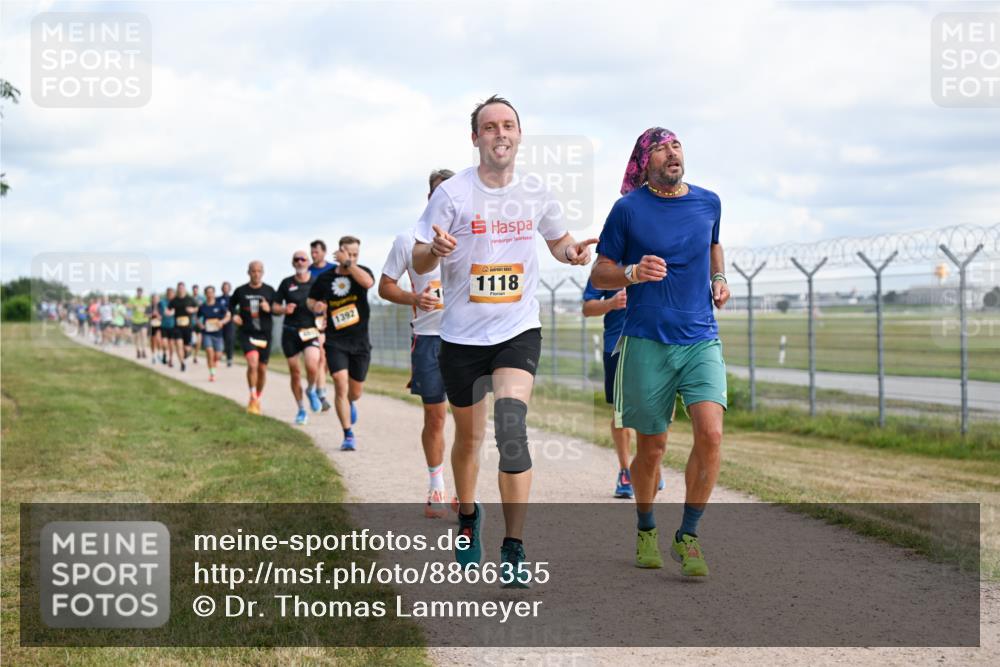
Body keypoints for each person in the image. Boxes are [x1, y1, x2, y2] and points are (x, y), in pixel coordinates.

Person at [412, 95, 596, 585]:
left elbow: (558, 242)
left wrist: (572, 252)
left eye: (508, 125)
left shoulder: (536, 190)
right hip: (460, 337)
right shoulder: (451, 194)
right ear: (475, 138)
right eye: (489, 126)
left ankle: (514, 547)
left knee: (512, 431)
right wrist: (434, 248)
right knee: (469, 439)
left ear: (519, 135)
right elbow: (420, 259)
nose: (499, 133)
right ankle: (469, 516)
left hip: (517, 330)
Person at [591, 126, 731, 577]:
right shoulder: (628, 210)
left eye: (676, 145)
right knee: (653, 448)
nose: (672, 152)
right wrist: (632, 271)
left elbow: (713, 244)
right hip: (645, 340)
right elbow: (601, 271)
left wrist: (719, 280)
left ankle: (688, 535)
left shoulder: (708, 201)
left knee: (710, 435)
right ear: (644, 162)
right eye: (661, 148)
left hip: (700, 338)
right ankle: (647, 526)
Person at [379, 168, 454, 518]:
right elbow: (385, 286)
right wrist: (414, 297)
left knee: (471, 421)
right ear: (429, 199)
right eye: (440, 194)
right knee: (436, 416)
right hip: (429, 337)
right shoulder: (407, 239)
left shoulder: (474, 234)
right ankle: (436, 487)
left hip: (470, 337)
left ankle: (464, 490)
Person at [582, 279, 667, 498]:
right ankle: (625, 471)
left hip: (655, 342)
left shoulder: (656, 258)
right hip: (617, 346)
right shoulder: (609, 264)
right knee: (621, 412)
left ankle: (650, 463)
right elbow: (587, 308)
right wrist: (611, 303)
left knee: (654, 408)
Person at [308, 236, 374, 450]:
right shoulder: (325, 279)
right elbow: (311, 300)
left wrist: (350, 264)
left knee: (354, 392)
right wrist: (317, 306)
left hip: (360, 341)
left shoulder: (361, 272)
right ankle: (348, 434)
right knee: (339, 382)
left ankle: (351, 402)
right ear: (339, 252)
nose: (352, 257)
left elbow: (368, 283)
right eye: (348, 253)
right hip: (336, 340)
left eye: (356, 254)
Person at [276, 251, 322, 425]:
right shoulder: (286, 283)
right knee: (295, 372)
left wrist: (321, 307)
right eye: (296, 259)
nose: (300, 261)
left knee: (312, 365)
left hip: (310, 330)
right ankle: (301, 409)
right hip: (290, 332)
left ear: (308, 262)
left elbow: (326, 303)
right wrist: (283, 310)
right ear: (293, 263)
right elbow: (274, 306)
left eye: (303, 259)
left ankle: (311, 389)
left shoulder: (316, 282)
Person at [231, 261, 277, 414]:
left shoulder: (269, 290)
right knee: (252, 364)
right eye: (253, 271)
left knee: (262, 370)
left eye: (259, 271)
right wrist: (234, 315)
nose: (256, 274)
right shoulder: (241, 291)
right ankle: (252, 397)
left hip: (265, 335)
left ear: (263, 272)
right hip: (247, 333)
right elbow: (230, 305)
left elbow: (277, 309)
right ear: (248, 272)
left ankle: (257, 397)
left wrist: (268, 308)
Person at [308, 239, 334, 412]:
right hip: (314, 319)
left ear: (324, 252)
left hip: (332, 317)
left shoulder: (332, 269)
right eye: (312, 252)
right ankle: (321, 393)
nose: (313, 255)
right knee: (320, 356)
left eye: (316, 252)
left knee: (325, 360)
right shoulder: (308, 271)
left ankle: (318, 388)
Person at [197, 285, 230, 382]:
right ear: (205, 294)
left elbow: (228, 315)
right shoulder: (202, 307)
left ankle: (213, 367)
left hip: (218, 334)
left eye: (212, 292)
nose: (210, 294)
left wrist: (222, 322)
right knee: (209, 353)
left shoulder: (219, 305)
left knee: (217, 356)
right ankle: (212, 374)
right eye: (208, 292)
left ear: (214, 294)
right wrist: (200, 325)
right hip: (207, 333)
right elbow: (197, 318)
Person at [169, 282, 198, 372]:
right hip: (177, 326)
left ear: (185, 289)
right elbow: (169, 309)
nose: (181, 289)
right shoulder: (174, 300)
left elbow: (197, 308)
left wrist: (192, 310)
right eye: (179, 288)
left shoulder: (190, 299)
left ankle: (187, 353)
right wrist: (169, 312)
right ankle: (182, 363)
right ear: (177, 289)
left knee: (187, 348)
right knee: (178, 345)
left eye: (182, 288)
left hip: (188, 327)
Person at [128, 287, 150, 360]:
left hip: (144, 320)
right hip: (135, 321)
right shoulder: (132, 299)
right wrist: (133, 306)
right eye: (138, 292)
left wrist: (147, 312)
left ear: (142, 292)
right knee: (137, 337)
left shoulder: (146, 299)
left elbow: (148, 308)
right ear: (137, 292)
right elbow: (128, 306)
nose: (139, 293)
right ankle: (138, 351)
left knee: (143, 335)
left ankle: (144, 351)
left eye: (140, 292)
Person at [218, 281, 235, 367]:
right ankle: (219, 354)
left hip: (230, 323)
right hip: (219, 323)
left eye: (227, 287)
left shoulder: (233, 299)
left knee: (229, 340)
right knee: (220, 339)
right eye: (224, 287)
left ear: (229, 289)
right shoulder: (218, 299)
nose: (225, 289)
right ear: (222, 288)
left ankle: (229, 358)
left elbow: (234, 311)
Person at [159, 288, 176, 366]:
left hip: (173, 326)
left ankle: (171, 360)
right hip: (164, 326)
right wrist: (172, 311)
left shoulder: (176, 302)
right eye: (169, 293)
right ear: (167, 294)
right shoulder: (163, 302)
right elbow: (167, 312)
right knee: (165, 343)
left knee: (171, 344)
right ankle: (165, 353)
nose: (170, 295)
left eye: (172, 293)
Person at [190, 284, 205, 365]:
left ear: (198, 290)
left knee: (199, 341)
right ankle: (188, 351)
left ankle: (195, 356)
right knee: (193, 340)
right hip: (191, 322)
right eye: (194, 289)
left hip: (200, 322)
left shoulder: (202, 298)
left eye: (196, 289)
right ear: (192, 290)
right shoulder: (189, 298)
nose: (195, 291)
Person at [148, 291, 162, 363]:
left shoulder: (161, 306)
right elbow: (146, 315)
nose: (155, 300)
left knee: (159, 339)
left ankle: (159, 353)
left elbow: (163, 316)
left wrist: (158, 315)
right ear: (152, 299)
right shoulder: (149, 306)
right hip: (152, 325)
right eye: (154, 298)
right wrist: (151, 315)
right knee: (153, 341)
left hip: (159, 325)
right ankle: (153, 356)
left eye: (157, 298)